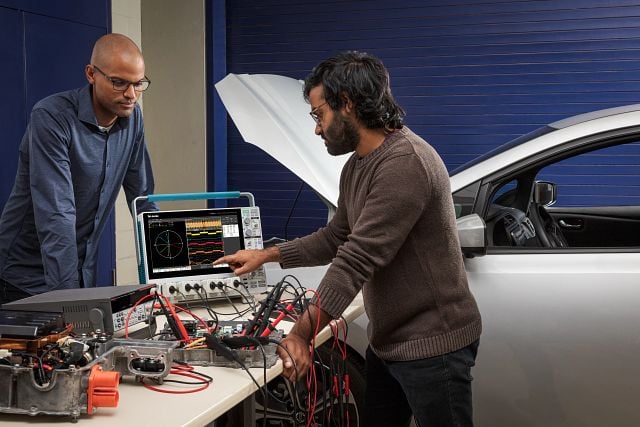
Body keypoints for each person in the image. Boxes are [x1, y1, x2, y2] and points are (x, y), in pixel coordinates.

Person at [215, 51, 482, 426]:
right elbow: (337, 237)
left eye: (318, 114)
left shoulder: (405, 163)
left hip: (432, 345)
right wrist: (267, 254)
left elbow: (355, 259)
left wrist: (302, 332)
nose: (316, 128)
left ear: (348, 105)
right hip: (391, 340)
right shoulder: (358, 164)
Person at [0, 33, 156, 304]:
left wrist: (167, 272)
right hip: (22, 278)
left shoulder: (132, 119)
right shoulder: (52, 118)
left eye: (138, 83)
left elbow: (142, 199)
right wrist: (74, 303)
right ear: (91, 74)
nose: (131, 95)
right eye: (119, 83)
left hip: (78, 273)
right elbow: (57, 215)